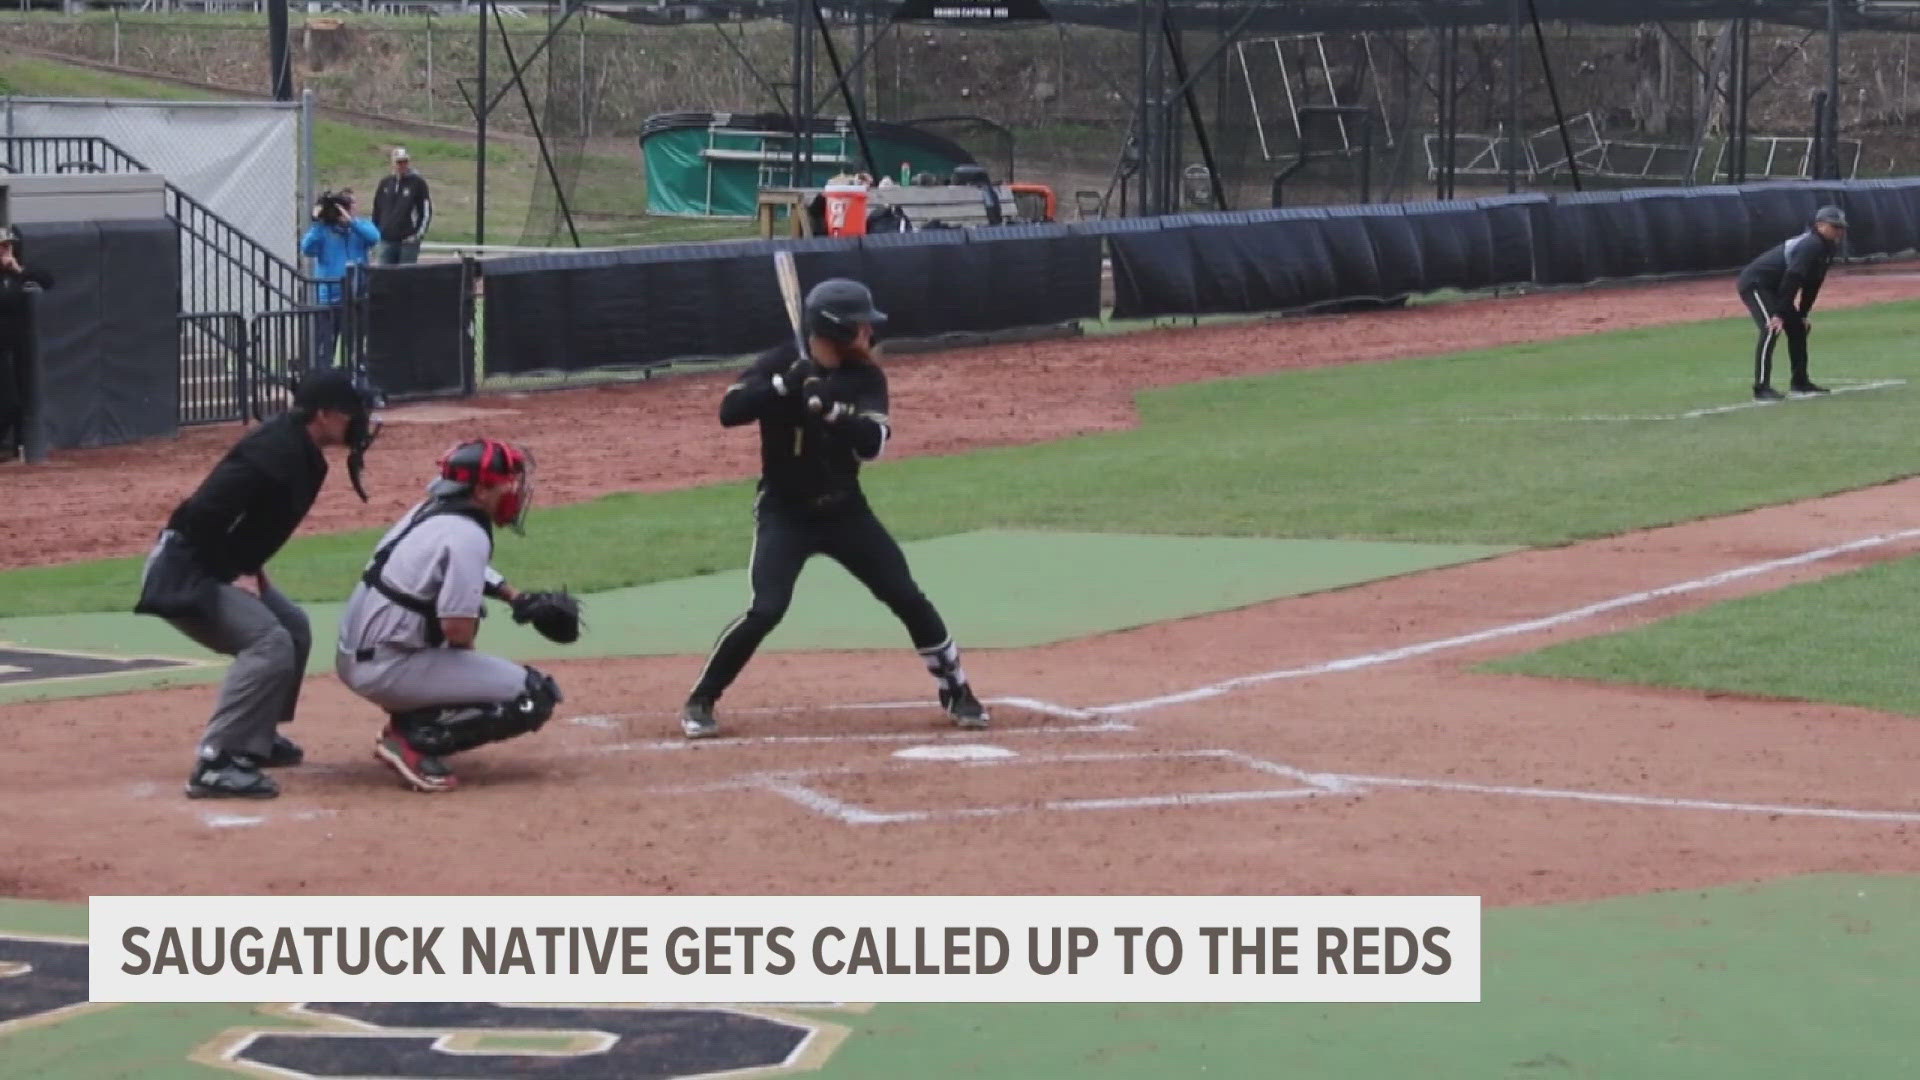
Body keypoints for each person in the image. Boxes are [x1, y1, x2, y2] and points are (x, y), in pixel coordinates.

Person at [680, 278, 988, 739]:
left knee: (904, 595)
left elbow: (874, 443)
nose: (871, 334)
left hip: (845, 511)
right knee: (767, 609)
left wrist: (832, 412)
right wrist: (785, 386)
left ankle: (956, 689)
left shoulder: (864, 377)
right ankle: (701, 698)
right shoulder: (782, 363)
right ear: (838, 329)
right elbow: (730, 412)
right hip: (785, 512)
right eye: (863, 326)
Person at [135, 368, 384, 799]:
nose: (359, 422)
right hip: (185, 570)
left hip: (215, 562)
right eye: (351, 414)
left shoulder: (301, 450)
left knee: (293, 627)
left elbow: (256, 523)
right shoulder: (271, 452)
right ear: (324, 415)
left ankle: (256, 738)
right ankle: (217, 761)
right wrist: (235, 570)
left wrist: (251, 564)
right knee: (269, 643)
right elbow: (203, 515)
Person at [336, 438, 580, 793]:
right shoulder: (467, 535)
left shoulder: (431, 510)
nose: (512, 492)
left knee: (471, 670)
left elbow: (461, 568)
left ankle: (415, 719)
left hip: (361, 653)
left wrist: (514, 597)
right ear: (480, 490)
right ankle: (415, 741)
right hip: (387, 667)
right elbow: (458, 631)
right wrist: (465, 679)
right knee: (532, 697)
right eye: (504, 484)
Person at [1738, 204, 1847, 401]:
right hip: (1756, 283)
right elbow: (1793, 277)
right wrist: (1779, 315)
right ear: (1820, 225)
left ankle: (1800, 382)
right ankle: (1761, 388)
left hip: (1777, 288)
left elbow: (1813, 283)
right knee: (1771, 327)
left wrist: (1803, 314)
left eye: (1841, 227)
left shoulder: (1828, 247)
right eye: (1835, 226)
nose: (1839, 231)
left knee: (1798, 328)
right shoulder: (1811, 244)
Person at [299, 188, 380, 369]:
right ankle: (324, 379)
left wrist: (351, 223)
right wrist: (318, 222)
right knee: (325, 346)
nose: (346, 209)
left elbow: (374, 237)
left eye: (349, 205)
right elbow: (307, 248)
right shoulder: (322, 231)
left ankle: (356, 378)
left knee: (354, 346)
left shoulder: (360, 227)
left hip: (355, 297)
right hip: (328, 298)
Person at [0, 226, 54, 462]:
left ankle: (14, 448)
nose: (6, 252)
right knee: (8, 401)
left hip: (14, 348)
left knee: (16, 401)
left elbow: (47, 280)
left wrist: (18, 270)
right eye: (1, 247)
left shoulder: (14, 274)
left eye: (8, 247)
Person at [371, 147, 433, 266]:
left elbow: (425, 211)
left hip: (407, 241)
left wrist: (417, 235)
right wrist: (377, 231)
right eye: (399, 162)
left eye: (405, 161)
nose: (402, 165)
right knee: (384, 276)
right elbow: (377, 209)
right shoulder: (385, 183)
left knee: (405, 277)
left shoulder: (417, 183)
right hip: (386, 239)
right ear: (392, 163)